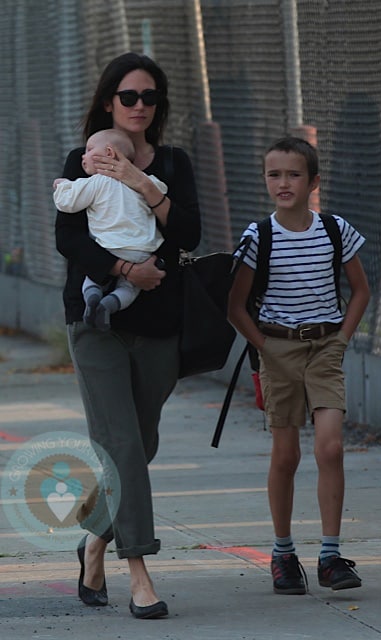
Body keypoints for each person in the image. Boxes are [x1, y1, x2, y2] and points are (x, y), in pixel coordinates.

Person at [55, 52, 201, 619]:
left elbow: (188, 231)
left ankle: (93, 543)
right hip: (98, 322)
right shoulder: (85, 157)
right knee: (121, 446)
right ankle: (139, 570)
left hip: (159, 323)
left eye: (149, 97)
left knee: (140, 446)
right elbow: (70, 237)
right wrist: (123, 271)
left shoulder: (172, 162)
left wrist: (140, 181)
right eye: (128, 96)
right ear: (108, 101)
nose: (139, 106)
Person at [228, 136, 370, 596]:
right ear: (265, 180)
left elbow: (360, 290)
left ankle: (330, 556)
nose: (283, 183)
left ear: (313, 181)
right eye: (274, 174)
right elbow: (234, 305)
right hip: (278, 352)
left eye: (293, 174)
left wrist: (342, 340)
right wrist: (263, 346)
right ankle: (283, 554)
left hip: (326, 349)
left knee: (330, 448)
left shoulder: (334, 229)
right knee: (286, 456)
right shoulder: (258, 237)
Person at [53, 128, 167, 330]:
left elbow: (67, 202)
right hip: (142, 251)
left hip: (109, 248)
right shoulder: (142, 181)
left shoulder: (96, 182)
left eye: (89, 150)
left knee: (92, 279)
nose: (83, 155)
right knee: (130, 289)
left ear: (108, 153)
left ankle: (93, 300)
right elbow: (161, 190)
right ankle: (109, 305)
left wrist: (62, 185)